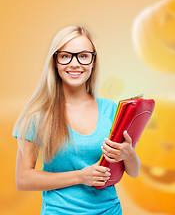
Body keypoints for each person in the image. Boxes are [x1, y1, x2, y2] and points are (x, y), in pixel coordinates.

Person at [12, 25, 140, 215]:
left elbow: (133, 171)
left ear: (93, 61)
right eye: (65, 56)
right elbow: (23, 179)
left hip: (110, 210)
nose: (74, 63)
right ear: (55, 61)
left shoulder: (111, 110)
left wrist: (128, 154)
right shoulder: (37, 114)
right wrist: (80, 176)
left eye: (83, 56)